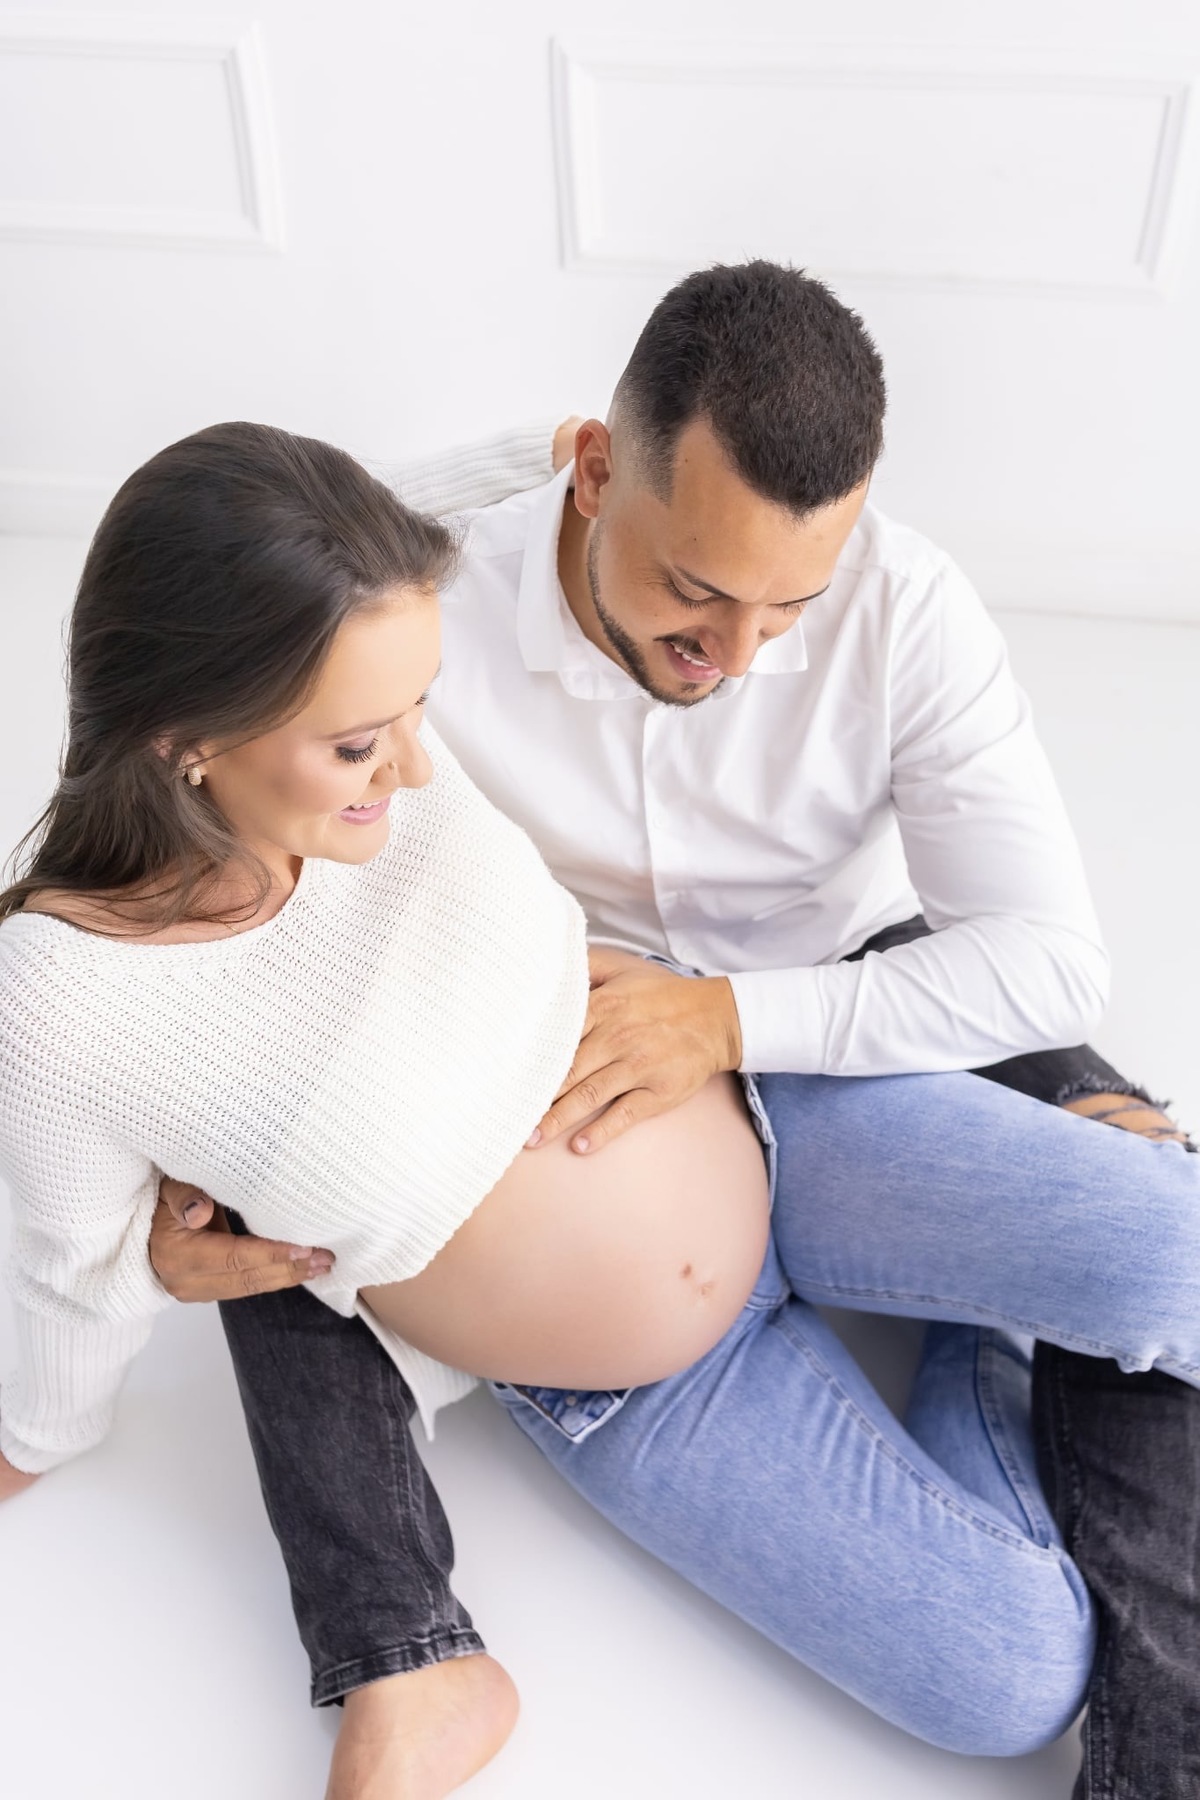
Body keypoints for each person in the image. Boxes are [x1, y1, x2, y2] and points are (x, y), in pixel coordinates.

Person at [3, 270, 1195, 1800]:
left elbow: (347, 535)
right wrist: (63, 1389)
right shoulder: (75, 988)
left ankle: (1032, 1219)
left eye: (786, 609)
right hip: (635, 1384)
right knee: (1011, 1684)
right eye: (365, 739)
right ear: (199, 739)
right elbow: (69, 1264)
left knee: (1178, 1249)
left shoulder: (404, 738)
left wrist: (736, 1023)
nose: (420, 765)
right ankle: (991, 1313)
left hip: (771, 1115)